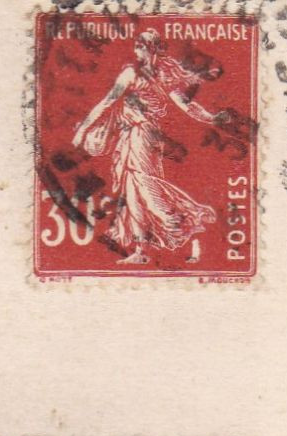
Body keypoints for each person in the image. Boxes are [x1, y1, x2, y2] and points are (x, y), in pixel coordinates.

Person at [71, 30, 225, 265]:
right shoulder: (160, 75)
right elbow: (188, 106)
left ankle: (191, 223)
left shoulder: (135, 74)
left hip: (141, 134)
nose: (136, 51)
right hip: (139, 134)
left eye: (139, 47)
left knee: (145, 188)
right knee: (132, 190)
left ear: (148, 48)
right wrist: (211, 118)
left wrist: (82, 130)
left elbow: (108, 102)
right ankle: (140, 249)